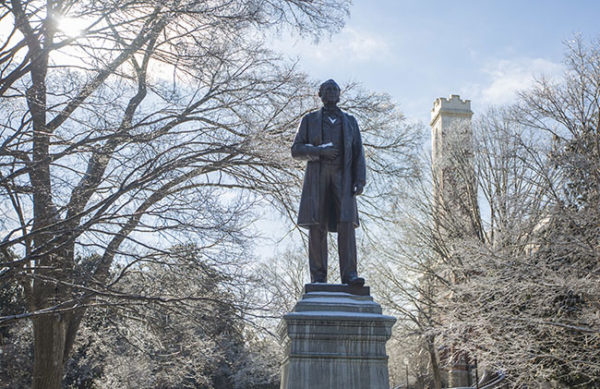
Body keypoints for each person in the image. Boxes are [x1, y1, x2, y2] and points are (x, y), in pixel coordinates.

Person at [291, 79, 366, 286]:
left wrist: (360, 179)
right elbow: (296, 150)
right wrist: (319, 151)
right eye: (327, 89)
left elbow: (359, 151)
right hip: (318, 177)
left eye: (335, 89)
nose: (332, 92)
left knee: (347, 225)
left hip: (344, 177)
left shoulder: (350, 121)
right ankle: (318, 277)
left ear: (339, 94)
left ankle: (350, 275)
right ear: (320, 94)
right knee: (317, 225)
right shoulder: (309, 120)